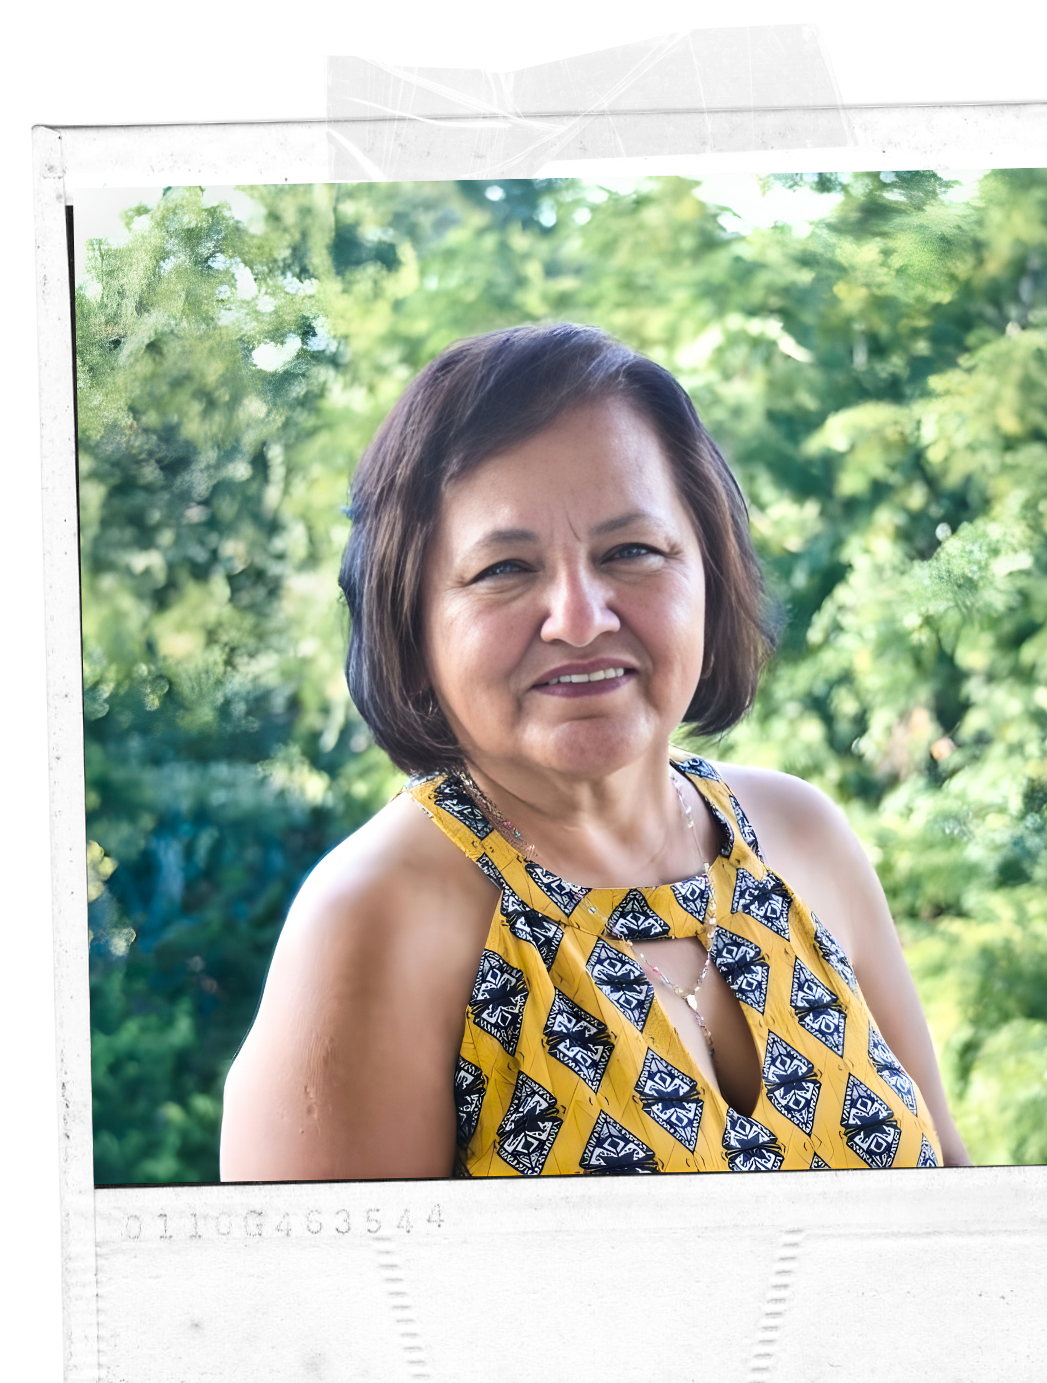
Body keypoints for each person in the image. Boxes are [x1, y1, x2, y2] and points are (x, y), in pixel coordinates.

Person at [220, 323, 971, 1181]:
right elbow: (328, 1273)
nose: (579, 620)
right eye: (504, 569)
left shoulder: (801, 834)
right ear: (412, 620)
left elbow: (956, 1188)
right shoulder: (376, 918)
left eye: (632, 552)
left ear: (709, 574)